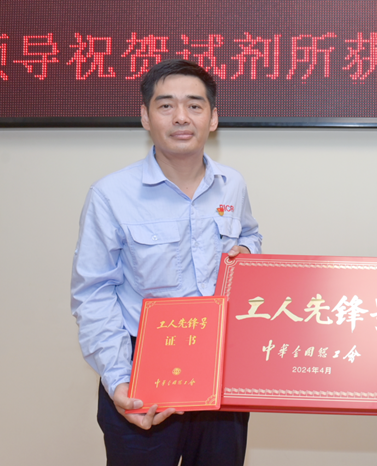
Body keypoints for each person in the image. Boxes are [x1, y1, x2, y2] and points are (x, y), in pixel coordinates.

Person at [71, 59, 262, 466]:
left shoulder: (232, 184)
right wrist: (120, 381)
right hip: (144, 367)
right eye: (165, 106)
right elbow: (94, 295)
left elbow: (249, 235)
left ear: (213, 118)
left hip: (220, 366)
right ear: (145, 117)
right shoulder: (111, 195)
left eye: (194, 105)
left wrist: (247, 254)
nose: (181, 117)